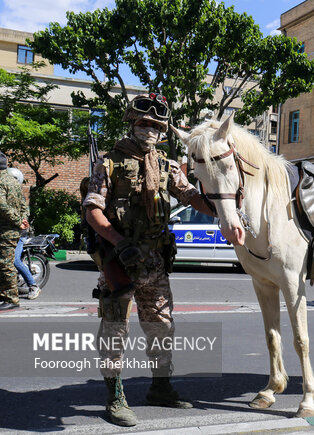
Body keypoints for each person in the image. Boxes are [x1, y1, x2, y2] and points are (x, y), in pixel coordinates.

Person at [83, 93, 216, 426]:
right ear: (132, 122)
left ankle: (160, 387)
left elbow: (189, 195)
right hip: (120, 259)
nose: (150, 130)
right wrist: (119, 242)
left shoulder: (167, 165)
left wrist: (220, 206)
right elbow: (92, 210)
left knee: (162, 325)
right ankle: (115, 397)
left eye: (157, 125)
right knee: (115, 330)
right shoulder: (109, 163)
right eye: (144, 123)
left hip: (154, 261)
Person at [0, 152, 29, 311]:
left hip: (5, 231)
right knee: (4, 264)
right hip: (13, 230)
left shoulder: (0, 182)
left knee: (6, 265)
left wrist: (18, 221)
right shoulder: (13, 181)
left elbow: (2, 206)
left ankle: (11, 299)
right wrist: (23, 220)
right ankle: (4, 294)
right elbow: (24, 205)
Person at [7, 168, 41, 300]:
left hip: (19, 234)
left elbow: (24, 213)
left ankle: (33, 286)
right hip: (7, 233)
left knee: (14, 260)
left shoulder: (18, 196)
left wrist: (21, 221)